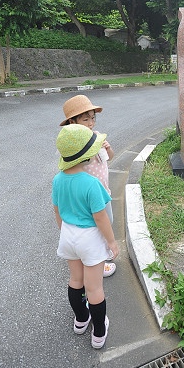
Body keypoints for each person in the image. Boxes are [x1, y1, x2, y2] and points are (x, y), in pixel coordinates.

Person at [52, 124, 119, 349]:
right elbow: (101, 218)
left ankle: (81, 320)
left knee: (75, 280)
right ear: (87, 156)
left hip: (68, 234)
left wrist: (65, 231)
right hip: (89, 238)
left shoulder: (57, 180)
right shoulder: (92, 184)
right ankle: (99, 332)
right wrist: (111, 242)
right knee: (94, 288)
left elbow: (57, 210)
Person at [60, 94, 116, 277]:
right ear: (72, 121)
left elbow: (111, 157)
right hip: (88, 196)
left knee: (108, 222)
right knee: (95, 227)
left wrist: (107, 148)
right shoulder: (74, 145)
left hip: (103, 192)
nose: (91, 123)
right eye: (86, 119)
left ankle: (104, 253)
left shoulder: (97, 137)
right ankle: (100, 260)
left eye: (93, 118)